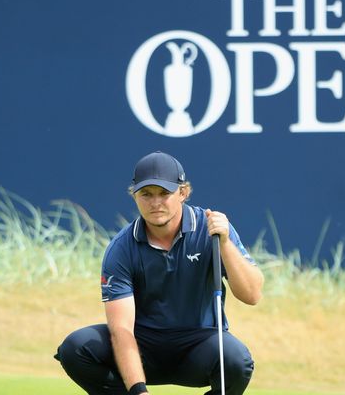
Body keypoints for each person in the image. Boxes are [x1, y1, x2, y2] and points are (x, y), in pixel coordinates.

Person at [55, 151, 264, 395]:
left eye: (165, 193)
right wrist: (138, 391)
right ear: (134, 196)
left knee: (236, 360)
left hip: (199, 346)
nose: (155, 203)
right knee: (76, 348)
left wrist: (226, 243)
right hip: (143, 348)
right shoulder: (122, 248)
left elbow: (252, 295)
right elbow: (121, 329)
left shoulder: (212, 231)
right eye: (146, 194)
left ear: (183, 193)